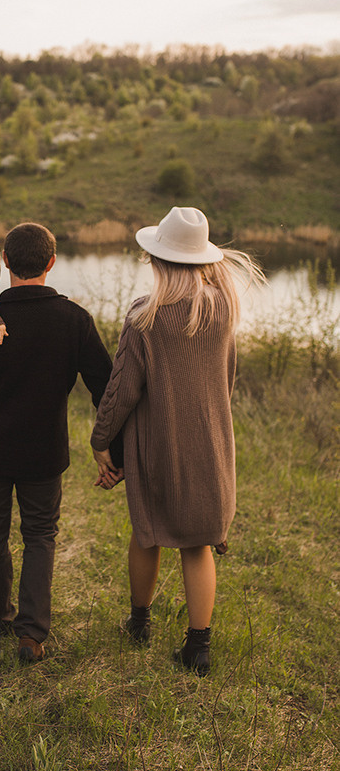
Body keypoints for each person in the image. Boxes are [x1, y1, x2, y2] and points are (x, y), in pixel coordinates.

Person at [0, 222, 122, 663]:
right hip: (43, 452)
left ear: (4, 262)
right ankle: (32, 635)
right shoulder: (74, 319)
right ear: (51, 262)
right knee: (41, 535)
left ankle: (0, 618)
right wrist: (110, 444)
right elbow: (106, 387)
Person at [91, 206, 265, 676]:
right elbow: (224, 380)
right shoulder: (225, 309)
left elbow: (123, 388)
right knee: (198, 543)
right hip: (212, 444)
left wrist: (101, 440)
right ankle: (198, 648)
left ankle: (139, 623)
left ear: (159, 261)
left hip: (159, 444)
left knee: (147, 533)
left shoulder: (145, 318)